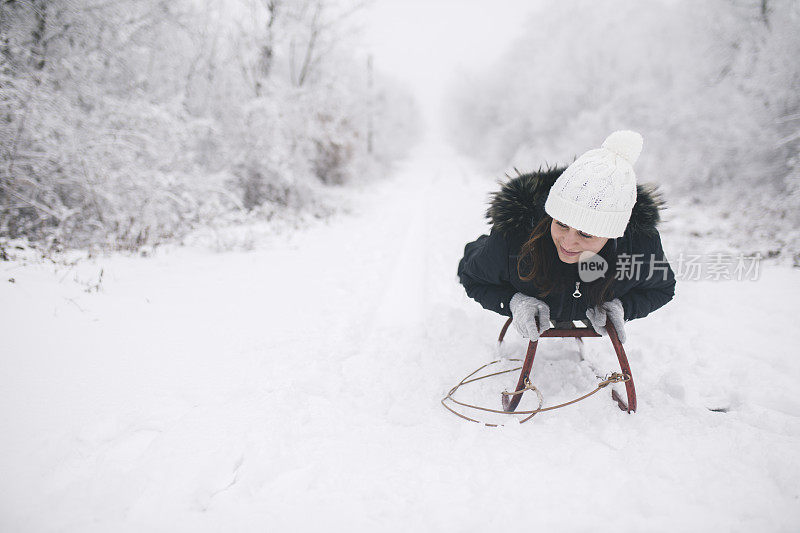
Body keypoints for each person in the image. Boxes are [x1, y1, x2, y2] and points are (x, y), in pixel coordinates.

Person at [457, 130, 676, 343]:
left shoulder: (640, 246)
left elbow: (663, 288)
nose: (568, 242)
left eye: (586, 234)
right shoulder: (513, 237)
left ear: (611, 234)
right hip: (517, 255)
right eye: (561, 224)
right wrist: (514, 301)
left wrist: (622, 306)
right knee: (479, 254)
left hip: (584, 293)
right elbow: (473, 278)